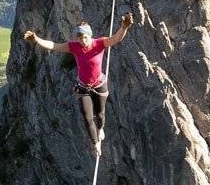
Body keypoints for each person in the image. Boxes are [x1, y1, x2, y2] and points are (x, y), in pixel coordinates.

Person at [24, 13, 133, 156]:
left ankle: (101, 128)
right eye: (80, 38)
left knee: (100, 114)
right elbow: (54, 46)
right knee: (87, 118)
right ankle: (95, 144)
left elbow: (116, 39)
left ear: (90, 35)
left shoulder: (99, 43)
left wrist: (124, 27)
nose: (83, 41)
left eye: (85, 37)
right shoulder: (74, 47)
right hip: (83, 87)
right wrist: (37, 40)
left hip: (99, 85)